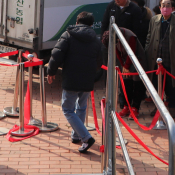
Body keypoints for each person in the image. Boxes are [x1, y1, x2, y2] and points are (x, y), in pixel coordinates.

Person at [47, 12, 102, 153]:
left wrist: (51, 71)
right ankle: (76, 135)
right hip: (87, 78)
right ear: (91, 25)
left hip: (71, 77)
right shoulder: (96, 40)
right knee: (82, 107)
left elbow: (56, 54)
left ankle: (86, 137)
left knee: (67, 109)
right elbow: (100, 61)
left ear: (77, 22)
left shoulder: (68, 35)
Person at [145, 0, 175, 118]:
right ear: (160, 8)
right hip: (156, 58)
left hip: (172, 58)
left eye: (168, 6)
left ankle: (172, 107)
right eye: (163, 5)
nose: (165, 8)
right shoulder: (154, 20)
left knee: (172, 85)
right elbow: (149, 36)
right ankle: (158, 107)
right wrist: (148, 48)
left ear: (172, 8)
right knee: (156, 84)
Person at [102, 27, 148, 119]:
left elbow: (132, 52)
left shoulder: (130, 36)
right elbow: (117, 52)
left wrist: (126, 66)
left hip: (137, 61)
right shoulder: (113, 36)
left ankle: (135, 108)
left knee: (137, 85)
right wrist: (123, 65)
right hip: (125, 63)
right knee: (126, 85)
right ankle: (126, 107)